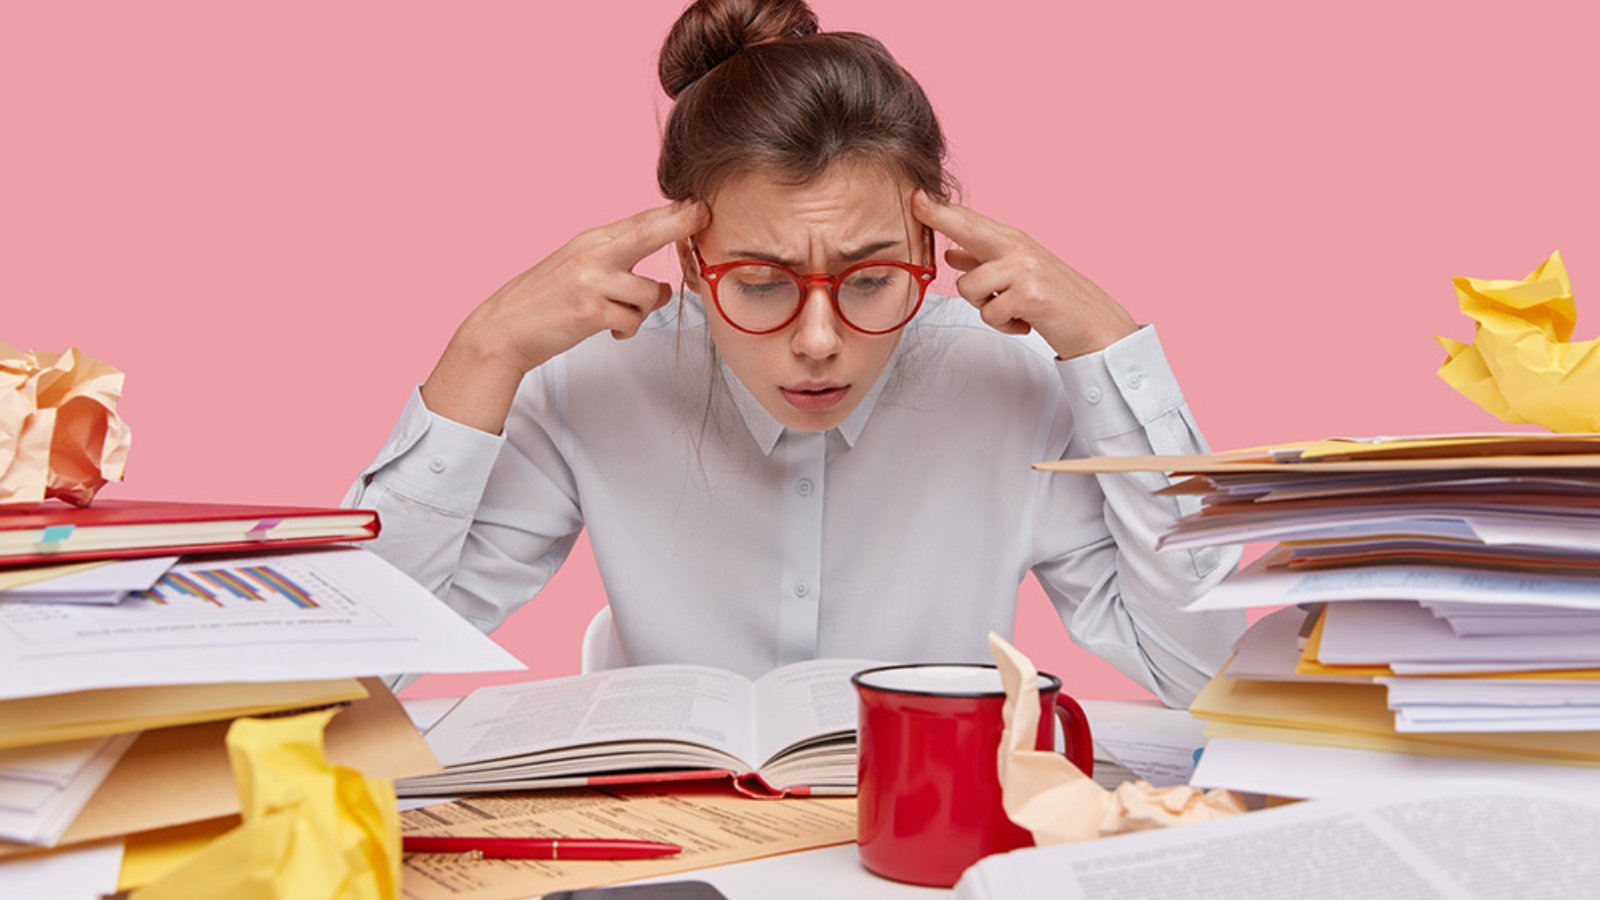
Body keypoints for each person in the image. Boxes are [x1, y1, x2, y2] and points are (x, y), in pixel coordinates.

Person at [345, 0, 1243, 707]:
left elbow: (1208, 677)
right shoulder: (594, 381)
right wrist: (482, 351)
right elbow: (352, 680)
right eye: (763, 282)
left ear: (930, 251)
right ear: (691, 262)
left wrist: (1111, 349)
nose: (819, 343)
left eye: (871, 278)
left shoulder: (1010, 383)